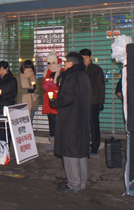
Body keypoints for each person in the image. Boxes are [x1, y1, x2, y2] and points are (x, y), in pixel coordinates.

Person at [49, 52, 91, 193]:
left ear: (71, 64)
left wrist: (55, 101)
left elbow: (68, 98)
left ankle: (74, 184)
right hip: (81, 119)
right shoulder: (83, 76)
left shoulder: (71, 77)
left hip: (71, 120)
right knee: (80, 151)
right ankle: (82, 181)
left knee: (70, 151)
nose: (64, 64)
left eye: (66, 62)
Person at [79, 48, 105, 157]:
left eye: (86, 57)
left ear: (91, 57)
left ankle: (95, 146)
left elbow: (101, 86)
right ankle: (83, 145)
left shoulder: (97, 69)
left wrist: (101, 101)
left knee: (94, 124)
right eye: (82, 58)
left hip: (93, 101)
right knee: (81, 125)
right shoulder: (79, 70)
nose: (84, 60)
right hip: (81, 102)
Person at [42, 50, 64, 153]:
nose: (51, 64)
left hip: (57, 100)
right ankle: (52, 142)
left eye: (53, 62)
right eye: (49, 63)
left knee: (59, 122)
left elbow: (63, 87)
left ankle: (60, 143)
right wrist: (46, 86)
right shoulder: (47, 71)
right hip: (48, 100)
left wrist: (54, 85)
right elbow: (43, 85)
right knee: (51, 122)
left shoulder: (62, 71)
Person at [0, 61, 17, 144]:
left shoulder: (12, 79)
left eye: (3, 70)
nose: (2, 72)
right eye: (0, 70)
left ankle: (7, 144)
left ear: (7, 69)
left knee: (7, 127)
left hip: (7, 105)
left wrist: (4, 97)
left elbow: (14, 92)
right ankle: (0, 144)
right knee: (0, 127)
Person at [17, 60, 39, 124]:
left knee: (30, 122)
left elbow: (38, 90)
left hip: (32, 103)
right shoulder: (19, 77)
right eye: (27, 67)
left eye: (30, 67)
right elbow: (18, 89)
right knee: (23, 123)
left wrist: (35, 89)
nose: (29, 69)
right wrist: (27, 90)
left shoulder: (33, 76)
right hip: (23, 102)